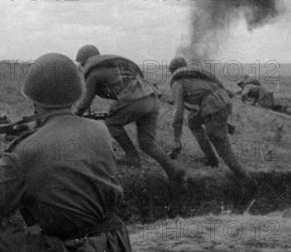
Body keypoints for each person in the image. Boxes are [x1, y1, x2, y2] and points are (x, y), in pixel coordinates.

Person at [0, 52, 131, 252]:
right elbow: (61, 141)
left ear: (33, 97)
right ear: (76, 93)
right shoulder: (99, 130)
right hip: (114, 242)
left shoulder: (26, 152)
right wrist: (32, 134)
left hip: (74, 247)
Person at [73, 45, 185, 184]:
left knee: (112, 122)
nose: (83, 66)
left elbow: (85, 101)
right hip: (151, 97)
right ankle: (173, 170)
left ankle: (132, 156)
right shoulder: (117, 66)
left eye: (82, 63)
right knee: (147, 143)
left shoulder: (94, 73)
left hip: (136, 98)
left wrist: (73, 116)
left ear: (87, 60)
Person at [168, 57, 257, 192]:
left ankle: (248, 181)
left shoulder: (178, 83)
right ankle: (211, 159)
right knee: (193, 121)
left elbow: (178, 114)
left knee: (222, 147)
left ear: (172, 71)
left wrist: (176, 141)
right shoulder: (196, 76)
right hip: (219, 103)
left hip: (214, 107)